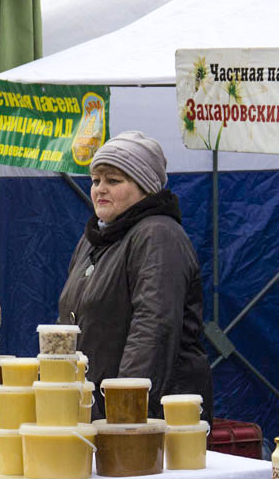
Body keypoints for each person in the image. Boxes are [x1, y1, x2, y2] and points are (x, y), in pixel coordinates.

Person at [58, 130, 213, 423]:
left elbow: (152, 329)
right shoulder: (93, 240)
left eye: (114, 180)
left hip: (147, 420)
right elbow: (69, 324)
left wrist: (124, 410)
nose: (100, 189)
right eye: (95, 180)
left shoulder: (158, 235)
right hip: (93, 412)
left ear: (145, 187)